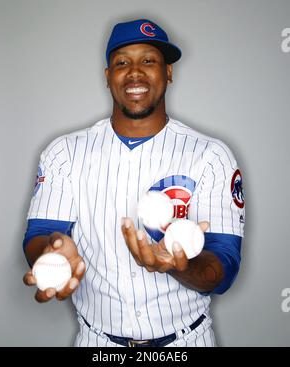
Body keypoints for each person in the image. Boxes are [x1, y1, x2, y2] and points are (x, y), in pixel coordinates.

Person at [22, 18, 245, 347]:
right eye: (122, 62)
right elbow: (38, 235)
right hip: (99, 344)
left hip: (185, 343)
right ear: (108, 77)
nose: (135, 72)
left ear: (168, 73)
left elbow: (224, 264)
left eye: (149, 61)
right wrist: (52, 250)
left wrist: (180, 266)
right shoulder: (64, 152)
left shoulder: (211, 155)